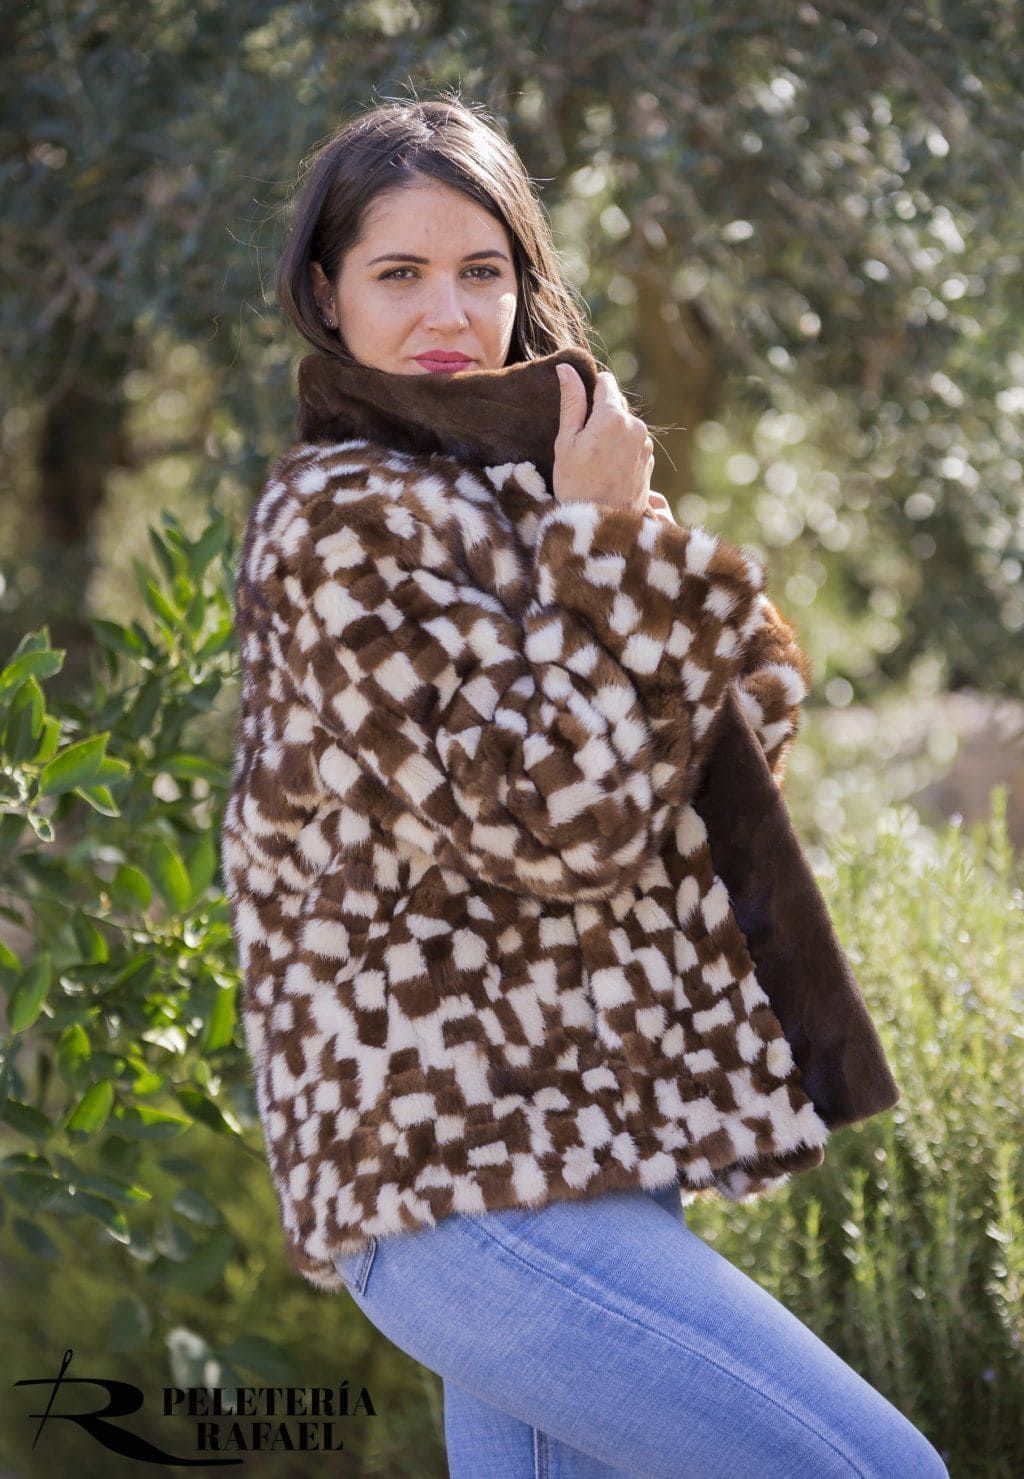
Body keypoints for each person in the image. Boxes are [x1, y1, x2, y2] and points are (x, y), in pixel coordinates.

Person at [247, 93, 949, 1477]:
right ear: (328, 296)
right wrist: (606, 547)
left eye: (482, 270)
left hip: (599, 1149)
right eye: (400, 273)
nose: (448, 313)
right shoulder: (337, 524)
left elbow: (744, 732)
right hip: (453, 1169)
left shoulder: (550, 476)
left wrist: (608, 537)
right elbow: (556, 820)